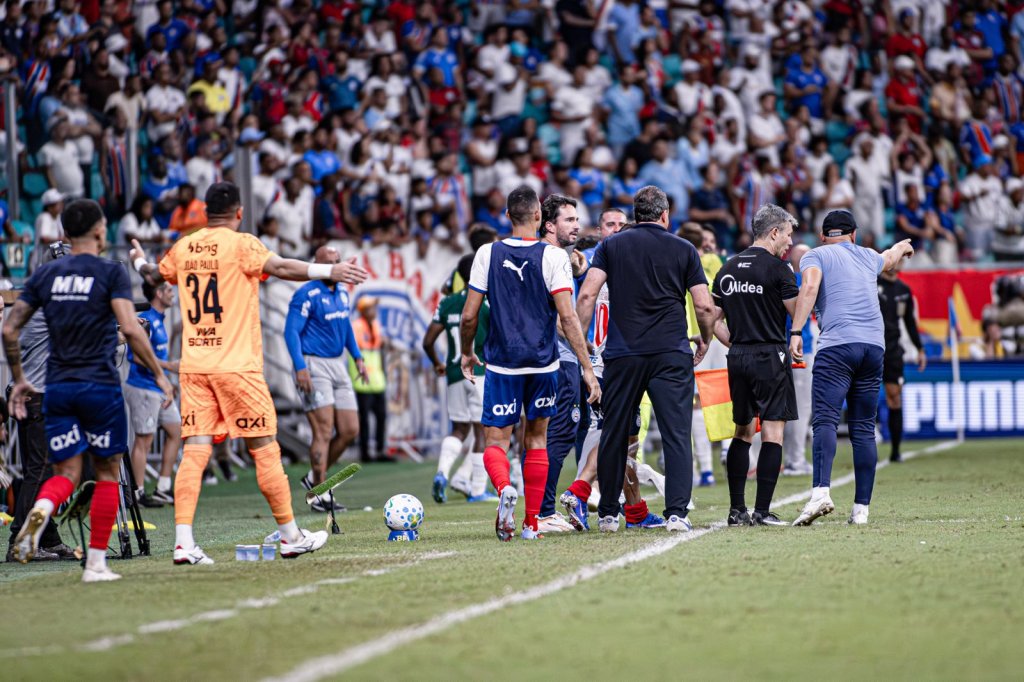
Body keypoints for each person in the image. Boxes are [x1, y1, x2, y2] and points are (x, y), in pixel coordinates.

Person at [130, 182, 369, 564]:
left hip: (195, 368)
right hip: (237, 367)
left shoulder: (184, 246)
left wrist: (138, 261)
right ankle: (290, 536)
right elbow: (281, 267)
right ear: (239, 213)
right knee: (264, 447)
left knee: (194, 452)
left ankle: (184, 542)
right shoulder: (242, 244)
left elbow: (154, 276)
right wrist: (330, 270)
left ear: (206, 212)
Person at [7, 200, 172, 582]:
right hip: (98, 385)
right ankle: (96, 564)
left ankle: (37, 520)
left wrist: (18, 377)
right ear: (99, 232)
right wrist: (159, 375)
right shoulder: (108, 272)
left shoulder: (43, 279)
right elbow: (130, 329)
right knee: (108, 472)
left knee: (63, 471)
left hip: (57, 386)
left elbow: (9, 328)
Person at [459, 185, 599, 541]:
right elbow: (568, 319)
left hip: (503, 363)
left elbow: (469, 316)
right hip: (544, 363)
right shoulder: (552, 257)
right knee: (537, 439)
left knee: (496, 439)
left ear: (507, 216)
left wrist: (466, 351)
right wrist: (585, 366)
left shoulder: (487, 253)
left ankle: (505, 487)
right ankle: (532, 522)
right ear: (539, 216)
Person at [576, 186, 717, 533]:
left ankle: (608, 513)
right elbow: (703, 305)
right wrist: (706, 339)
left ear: (636, 214)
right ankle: (677, 514)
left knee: (613, 432)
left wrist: (580, 345)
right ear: (665, 215)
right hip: (670, 352)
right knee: (675, 433)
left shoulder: (611, 245)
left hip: (623, 354)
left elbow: (588, 294)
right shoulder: (684, 248)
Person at [789, 211, 915, 527]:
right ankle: (861, 511)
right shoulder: (868, 256)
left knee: (825, 421)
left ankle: (820, 493)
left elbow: (810, 287)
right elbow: (889, 257)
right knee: (862, 428)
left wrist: (796, 331)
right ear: (854, 235)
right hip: (874, 348)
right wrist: (902, 246)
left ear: (822, 236)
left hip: (837, 346)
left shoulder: (815, 255)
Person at [711, 204, 800, 527]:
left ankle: (737, 510)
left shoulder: (729, 267)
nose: (789, 242)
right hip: (770, 355)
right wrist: (798, 332)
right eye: (787, 235)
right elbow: (796, 311)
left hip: (738, 358)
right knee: (773, 431)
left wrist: (732, 342)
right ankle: (762, 511)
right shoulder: (779, 269)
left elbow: (710, 316)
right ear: (774, 232)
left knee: (743, 430)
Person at [5, 243, 77, 564]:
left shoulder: (36, 299)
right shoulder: (49, 304)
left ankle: (47, 536)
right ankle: (20, 536)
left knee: (44, 469)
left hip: (32, 393)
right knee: (40, 469)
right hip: (38, 395)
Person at [284, 246, 368, 514]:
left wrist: (358, 357)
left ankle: (313, 477)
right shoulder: (305, 294)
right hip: (313, 364)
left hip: (338, 365)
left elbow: (345, 328)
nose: (336, 266)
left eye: (337, 261)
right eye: (329, 262)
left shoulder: (341, 291)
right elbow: (291, 332)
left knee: (350, 430)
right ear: (318, 265)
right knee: (323, 430)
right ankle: (319, 491)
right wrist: (300, 367)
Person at [422, 255, 493, 504]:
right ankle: (476, 490)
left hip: (453, 373)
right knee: (482, 431)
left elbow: (428, 341)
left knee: (459, 429)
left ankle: (442, 472)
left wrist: (438, 364)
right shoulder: (486, 302)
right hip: (479, 373)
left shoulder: (447, 302)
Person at [124, 280, 181, 508]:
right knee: (144, 440)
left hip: (157, 386)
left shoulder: (159, 319)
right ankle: (137, 493)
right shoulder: (147, 319)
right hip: (143, 387)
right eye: (168, 290)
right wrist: (168, 368)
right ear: (158, 293)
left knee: (175, 430)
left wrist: (165, 379)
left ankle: (163, 488)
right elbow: (136, 356)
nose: (172, 294)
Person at [878, 259, 926, 463]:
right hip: (871, 347)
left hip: (893, 350)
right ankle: (864, 446)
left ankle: (895, 450)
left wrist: (919, 348)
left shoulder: (904, 290)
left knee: (894, 397)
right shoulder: (871, 284)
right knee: (863, 397)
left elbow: (909, 322)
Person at [783, 244, 815, 476]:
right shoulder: (805, 284)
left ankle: (760, 461)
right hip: (800, 349)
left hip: (780, 348)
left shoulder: (783, 280)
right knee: (801, 408)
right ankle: (795, 460)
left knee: (779, 408)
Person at [350, 297, 394, 464]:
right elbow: (359, 347)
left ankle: (380, 450)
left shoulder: (375, 325)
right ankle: (365, 453)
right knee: (364, 420)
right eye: (370, 308)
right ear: (363, 311)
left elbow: (378, 345)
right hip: (362, 381)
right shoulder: (357, 326)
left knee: (381, 417)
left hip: (377, 381)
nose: (373, 311)